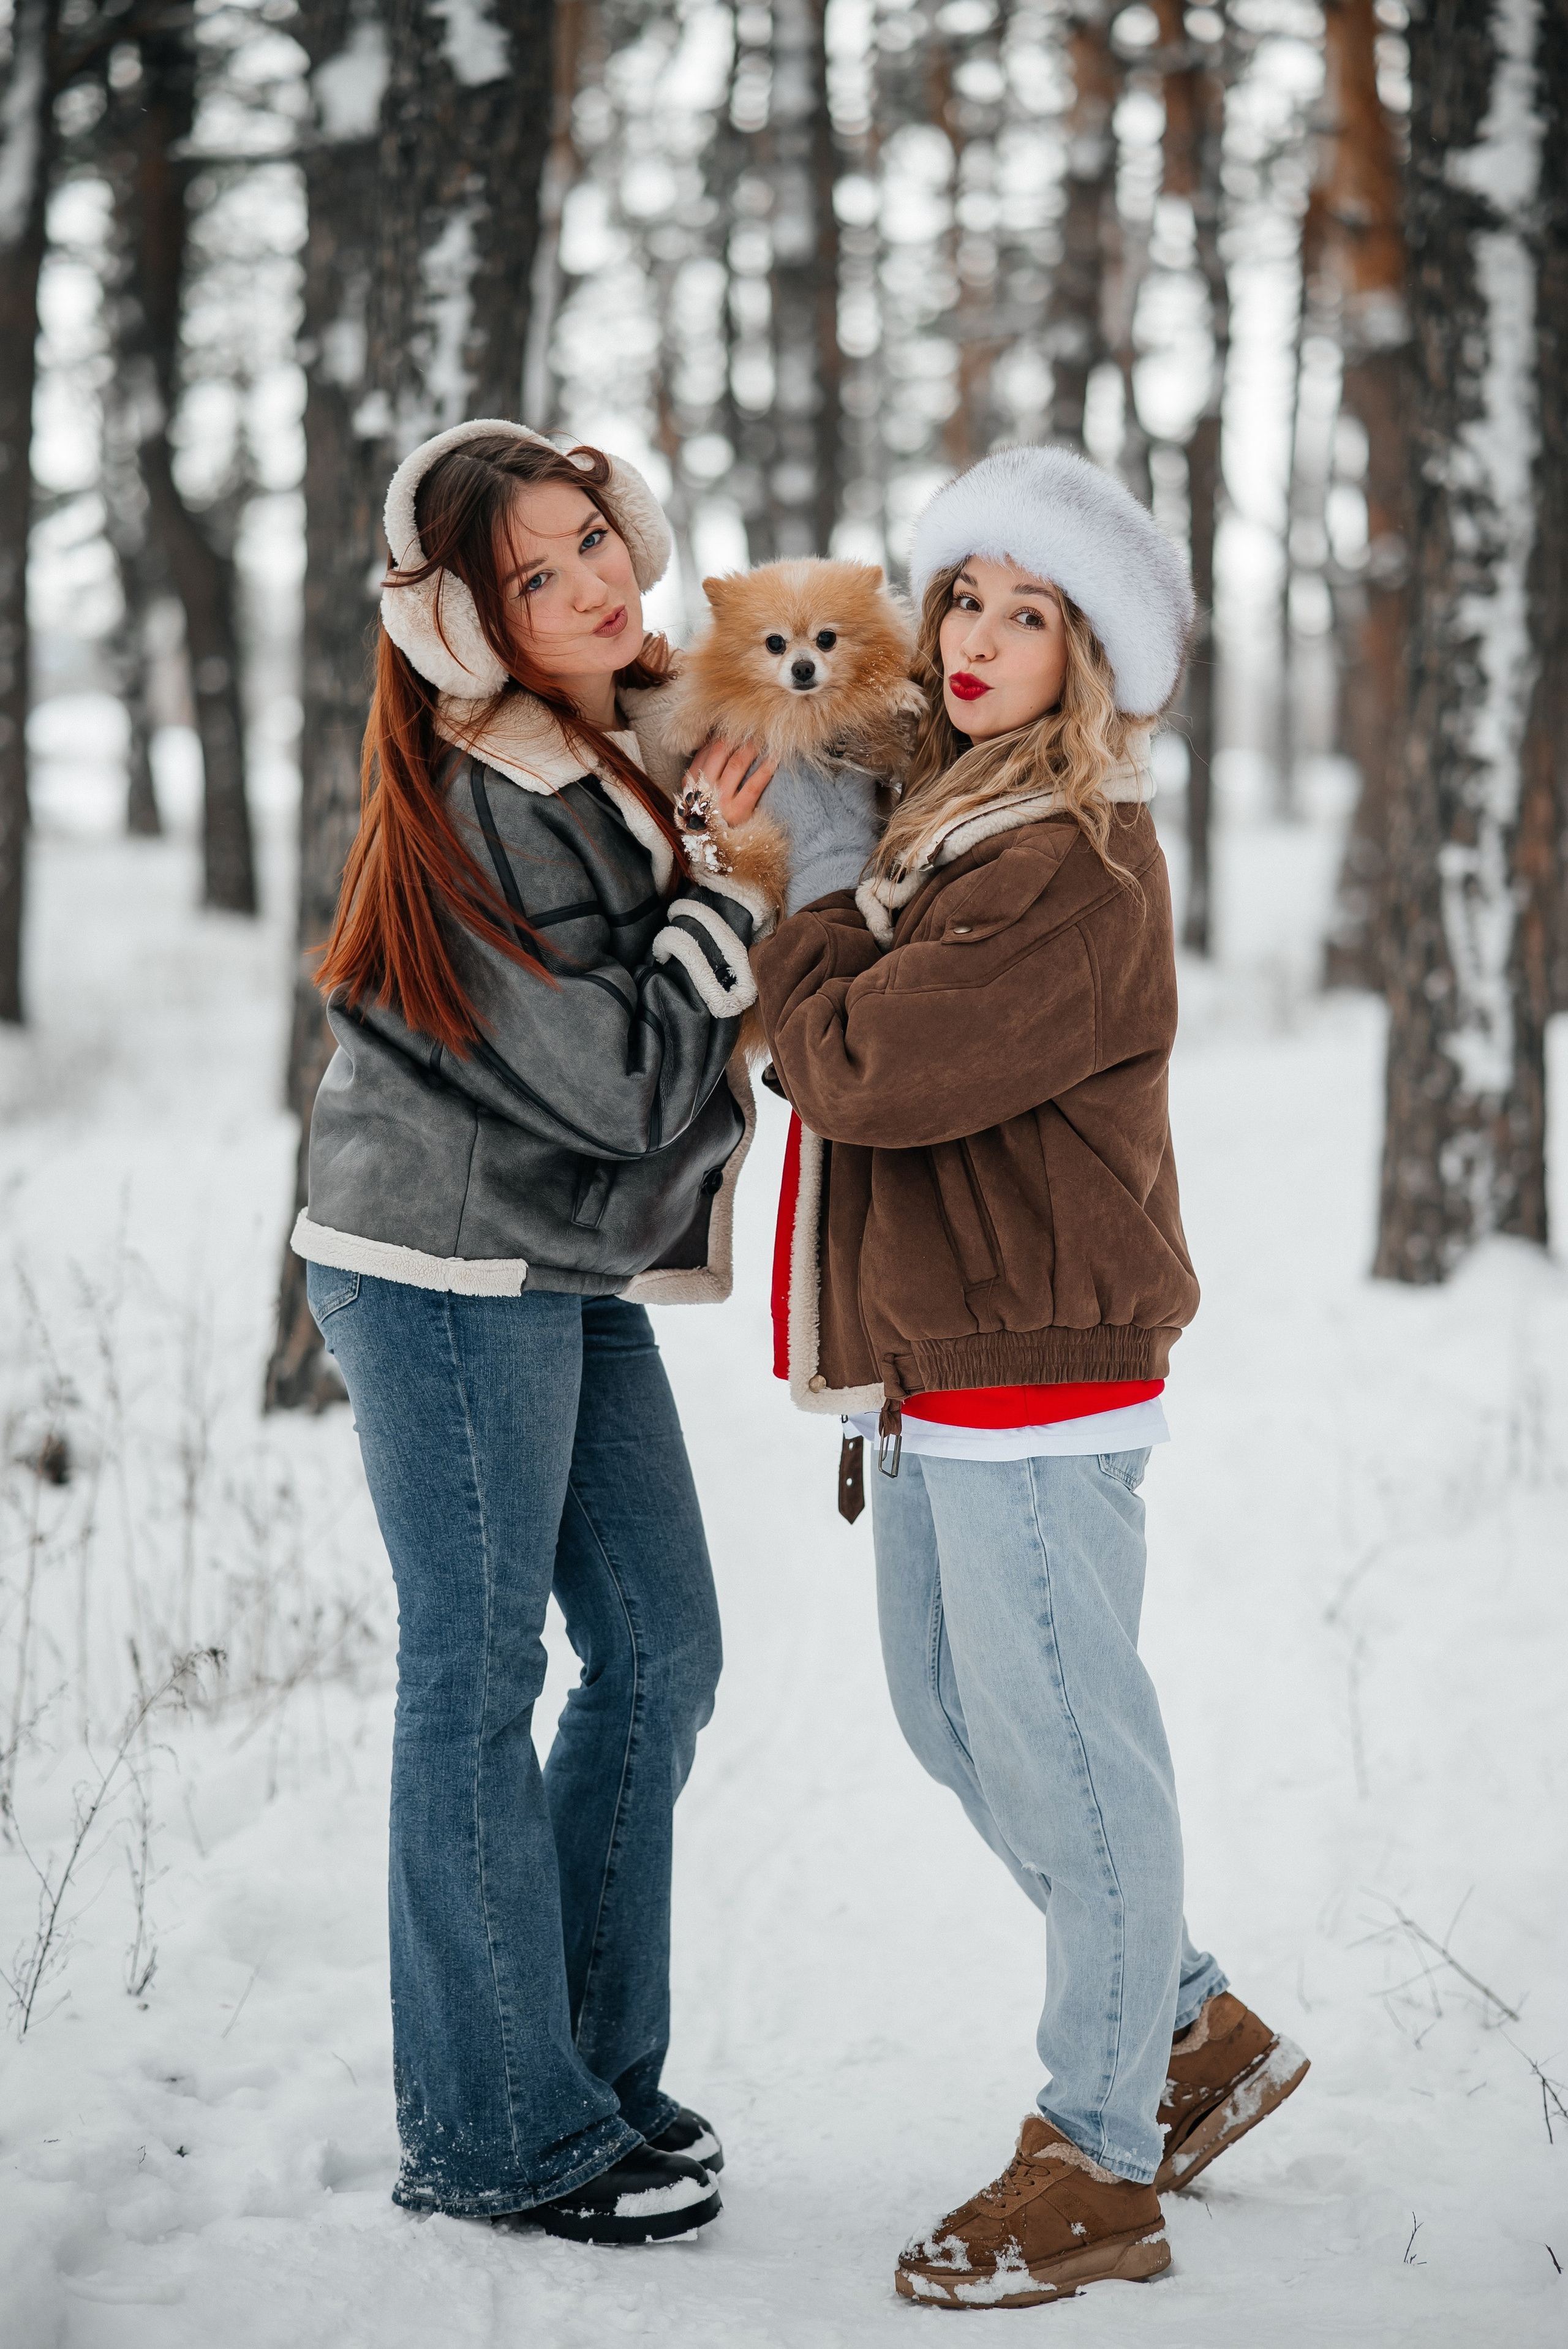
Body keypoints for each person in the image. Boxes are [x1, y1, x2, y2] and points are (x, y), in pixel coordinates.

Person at [747, 447, 1310, 2307]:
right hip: (947, 1359)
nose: (979, 638)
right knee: (954, 1722)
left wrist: (813, 891)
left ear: (1092, 656)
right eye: (963, 600)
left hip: (1037, 1365)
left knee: (1069, 1751)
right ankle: (1189, 2028)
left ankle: (1099, 2157)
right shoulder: (960, 821)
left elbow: (858, 1067)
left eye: (1030, 613)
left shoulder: (1069, 862)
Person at [293, 418, 778, 2244]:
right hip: (441, 1269)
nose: (592, 585)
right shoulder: (490, 788)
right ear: (470, 625)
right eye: (535, 574)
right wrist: (726, 888)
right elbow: (623, 1083)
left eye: (595, 539)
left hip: (547, 1261)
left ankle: (578, 2070)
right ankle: (498, 2128)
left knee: (662, 1649)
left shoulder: (610, 745)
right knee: (475, 1674)